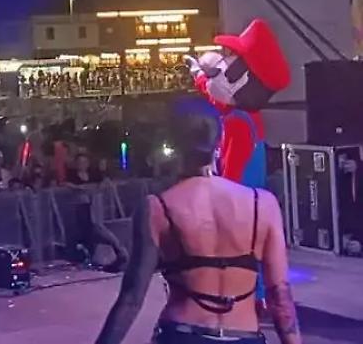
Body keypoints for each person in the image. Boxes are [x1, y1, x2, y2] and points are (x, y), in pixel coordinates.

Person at [93, 112, 300, 344]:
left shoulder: (158, 208)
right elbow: (279, 295)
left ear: (173, 144)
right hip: (244, 336)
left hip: (182, 335)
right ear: (220, 142)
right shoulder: (262, 204)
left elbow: (131, 299)